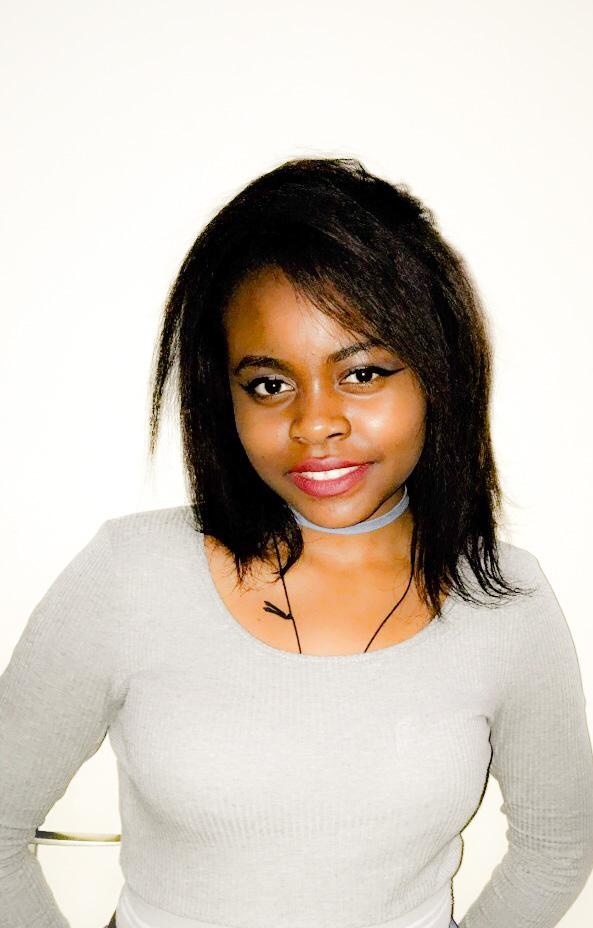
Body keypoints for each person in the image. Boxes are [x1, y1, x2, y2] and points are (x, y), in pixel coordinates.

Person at [0, 157, 592, 928]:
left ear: (437, 376)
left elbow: (556, 846)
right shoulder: (133, 574)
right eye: (269, 384)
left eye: (363, 372)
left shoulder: (502, 599)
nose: (314, 424)